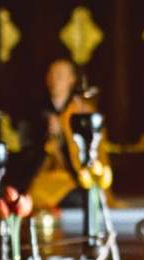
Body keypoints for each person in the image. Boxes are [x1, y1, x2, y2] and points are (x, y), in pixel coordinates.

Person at [13, 59, 105, 209]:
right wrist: (48, 139)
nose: (54, 80)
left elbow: (93, 156)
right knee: (32, 192)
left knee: (86, 197)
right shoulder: (34, 112)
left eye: (60, 75)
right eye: (51, 75)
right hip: (42, 178)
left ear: (72, 79)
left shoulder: (83, 112)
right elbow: (26, 155)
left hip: (73, 179)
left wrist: (62, 137)